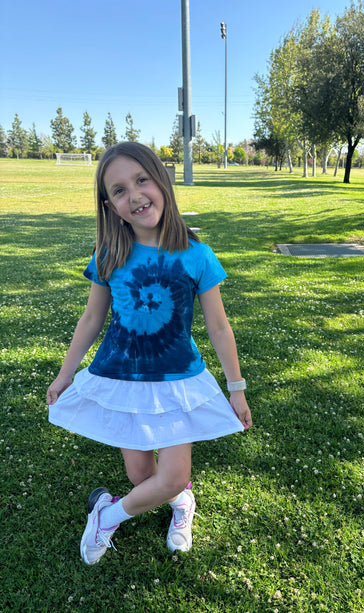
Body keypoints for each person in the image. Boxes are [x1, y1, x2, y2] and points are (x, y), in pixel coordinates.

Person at [47, 142, 252, 566]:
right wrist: (66, 373)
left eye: (142, 180)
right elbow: (91, 319)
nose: (135, 195)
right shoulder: (109, 254)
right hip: (120, 378)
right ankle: (180, 502)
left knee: (172, 475)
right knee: (142, 476)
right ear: (111, 206)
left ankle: (107, 516)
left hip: (178, 379)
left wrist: (236, 388)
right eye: (120, 190)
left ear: (162, 181)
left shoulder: (196, 254)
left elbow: (219, 327)